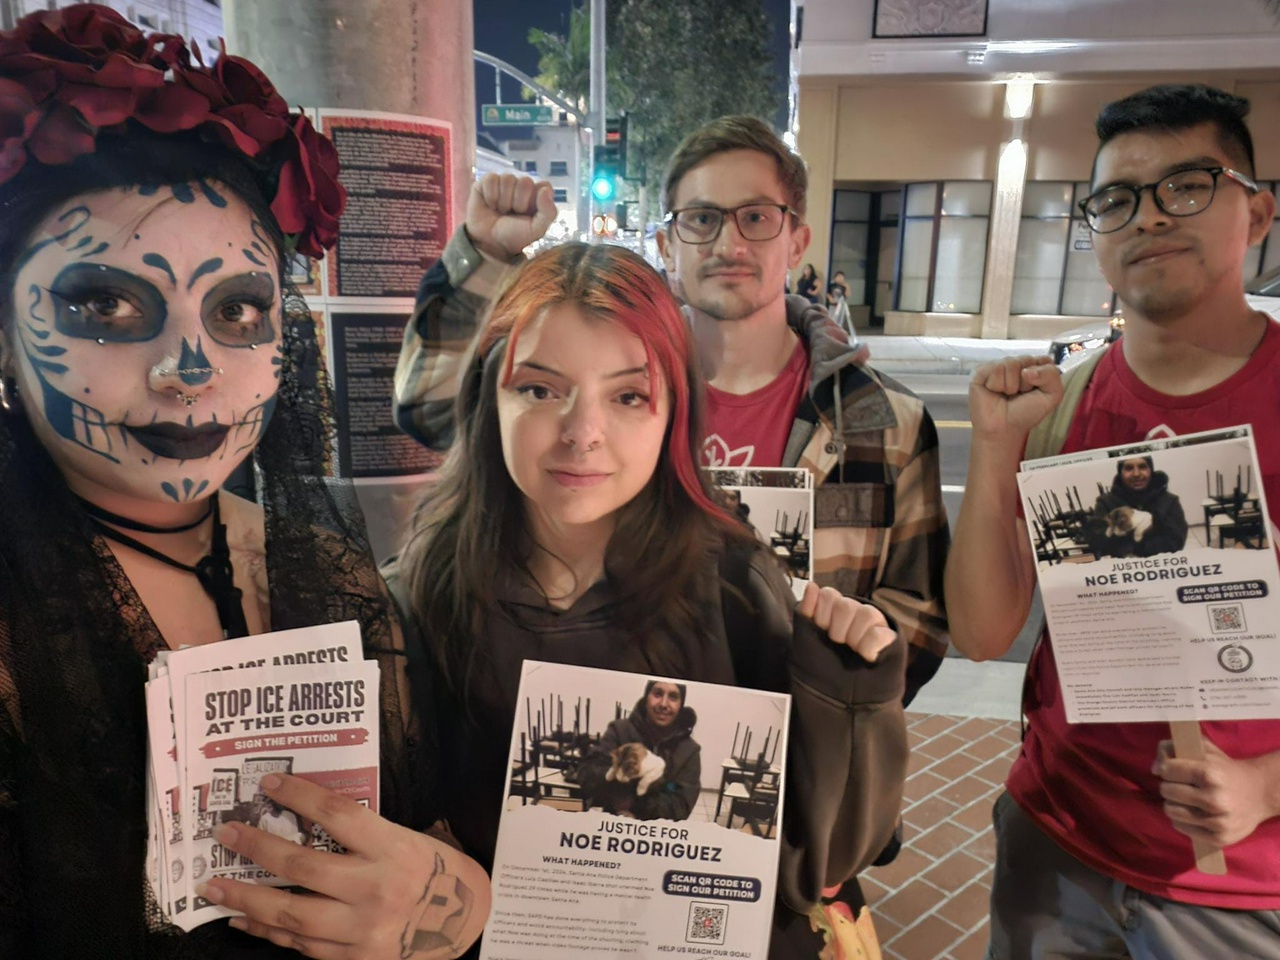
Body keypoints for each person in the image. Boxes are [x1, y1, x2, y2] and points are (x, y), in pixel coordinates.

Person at [0, 7, 488, 958]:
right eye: (106, 303)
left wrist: (456, 902)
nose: (189, 370)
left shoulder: (330, 577)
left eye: (236, 310)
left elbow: (420, 844)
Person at [387, 239, 910, 958]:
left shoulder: (735, 584)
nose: (582, 434)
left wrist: (851, 693)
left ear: (674, 414)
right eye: (539, 390)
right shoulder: (419, 596)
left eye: (629, 396)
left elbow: (816, 863)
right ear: (488, 399)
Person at [394, 117, 950, 708]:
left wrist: (830, 681)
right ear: (666, 246)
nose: (729, 245)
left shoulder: (882, 420)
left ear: (796, 242)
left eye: (757, 217)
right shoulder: (618, 369)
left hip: (798, 731)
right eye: (702, 219)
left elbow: (918, 621)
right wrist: (484, 254)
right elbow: (432, 409)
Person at [946, 83, 1280, 958]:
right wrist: (995, 448)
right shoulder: (1066, 404)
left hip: (1242, 889)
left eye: (1188, 186)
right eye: (1117, 199)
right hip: (1053, 847)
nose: (1150, 216)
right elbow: (981, 634)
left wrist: (1264, 786)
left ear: (1257, 212)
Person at [577, 680, 701, 821]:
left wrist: (635, 803)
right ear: (646, 697)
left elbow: (680, 807)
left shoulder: (689, 751)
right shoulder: (620, 731)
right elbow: (587, 774)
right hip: (612, 824)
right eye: (658, 694)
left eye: (673, 697)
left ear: (681, 704)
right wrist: (619, 773)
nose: (663, 704)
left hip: (657, 831)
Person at [1085, 455, 1188, 558]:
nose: (1136, 474)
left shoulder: (1169, 501)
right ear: (1120, 473)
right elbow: (1096, 541)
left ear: (1151, 470)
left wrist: (1140, 548)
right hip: (1121, 566)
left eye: (1142, 467)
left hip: (1160, 564)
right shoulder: (1105, 502)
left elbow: (1176, 541)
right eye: (1129, 468)